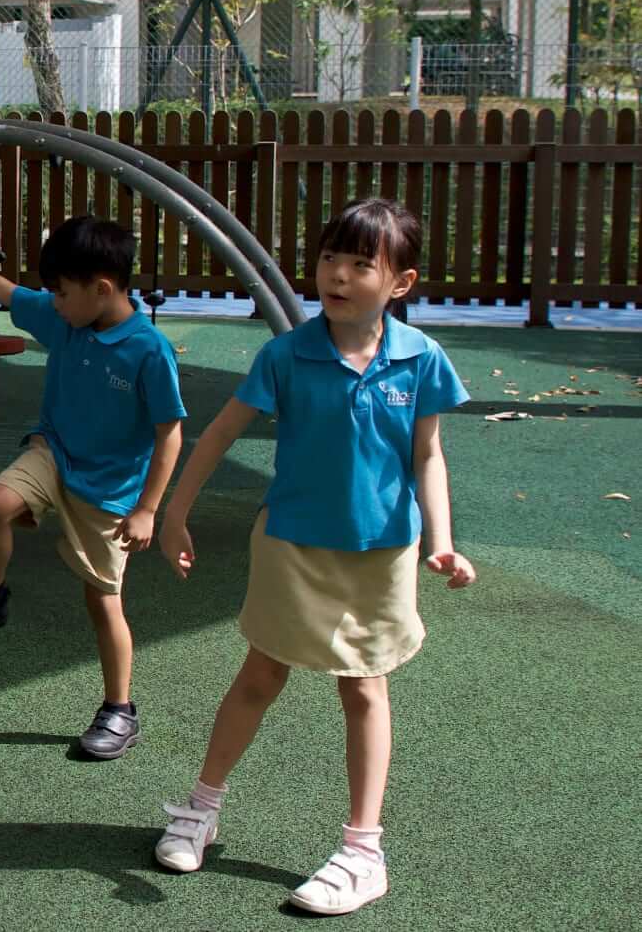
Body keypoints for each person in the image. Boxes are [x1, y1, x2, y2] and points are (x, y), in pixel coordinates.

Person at [152, 198, 473, 915]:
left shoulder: (419, 359)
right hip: (290, 543)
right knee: (260, 671)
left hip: (381, 552)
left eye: (362, 262)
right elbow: (218, 434)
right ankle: (200, 806)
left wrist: (442, 541)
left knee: (363, 686)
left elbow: (428, 454)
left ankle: (362, 850)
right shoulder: (286, 353)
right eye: (331, 256)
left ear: (400, 282)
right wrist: (174, 510)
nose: (337, 273)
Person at [0, 213, 185, 760]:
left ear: (102, 289)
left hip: (108, 490)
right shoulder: (67, 320)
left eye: (60, 292)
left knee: (103, 601)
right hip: (53, 454)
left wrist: (150, 509)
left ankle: (120, 710)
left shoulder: (149, 352)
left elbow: (170, 433)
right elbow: (2, 289)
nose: (51, 302)